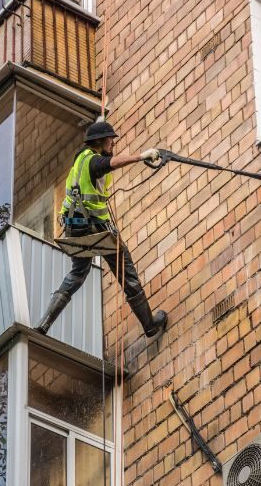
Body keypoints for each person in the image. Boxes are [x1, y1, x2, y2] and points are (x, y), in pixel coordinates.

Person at [35, 120, 168, 338]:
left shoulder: (80, 161)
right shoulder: (93, 161)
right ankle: (150, 325)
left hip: (74, 229)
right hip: (93, 227)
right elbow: (110, 163)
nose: (112, 142)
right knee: (127, 273)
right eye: (109, 139)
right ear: (98, 140)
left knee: (77, 274)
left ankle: (44, 323)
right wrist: (141, 157)